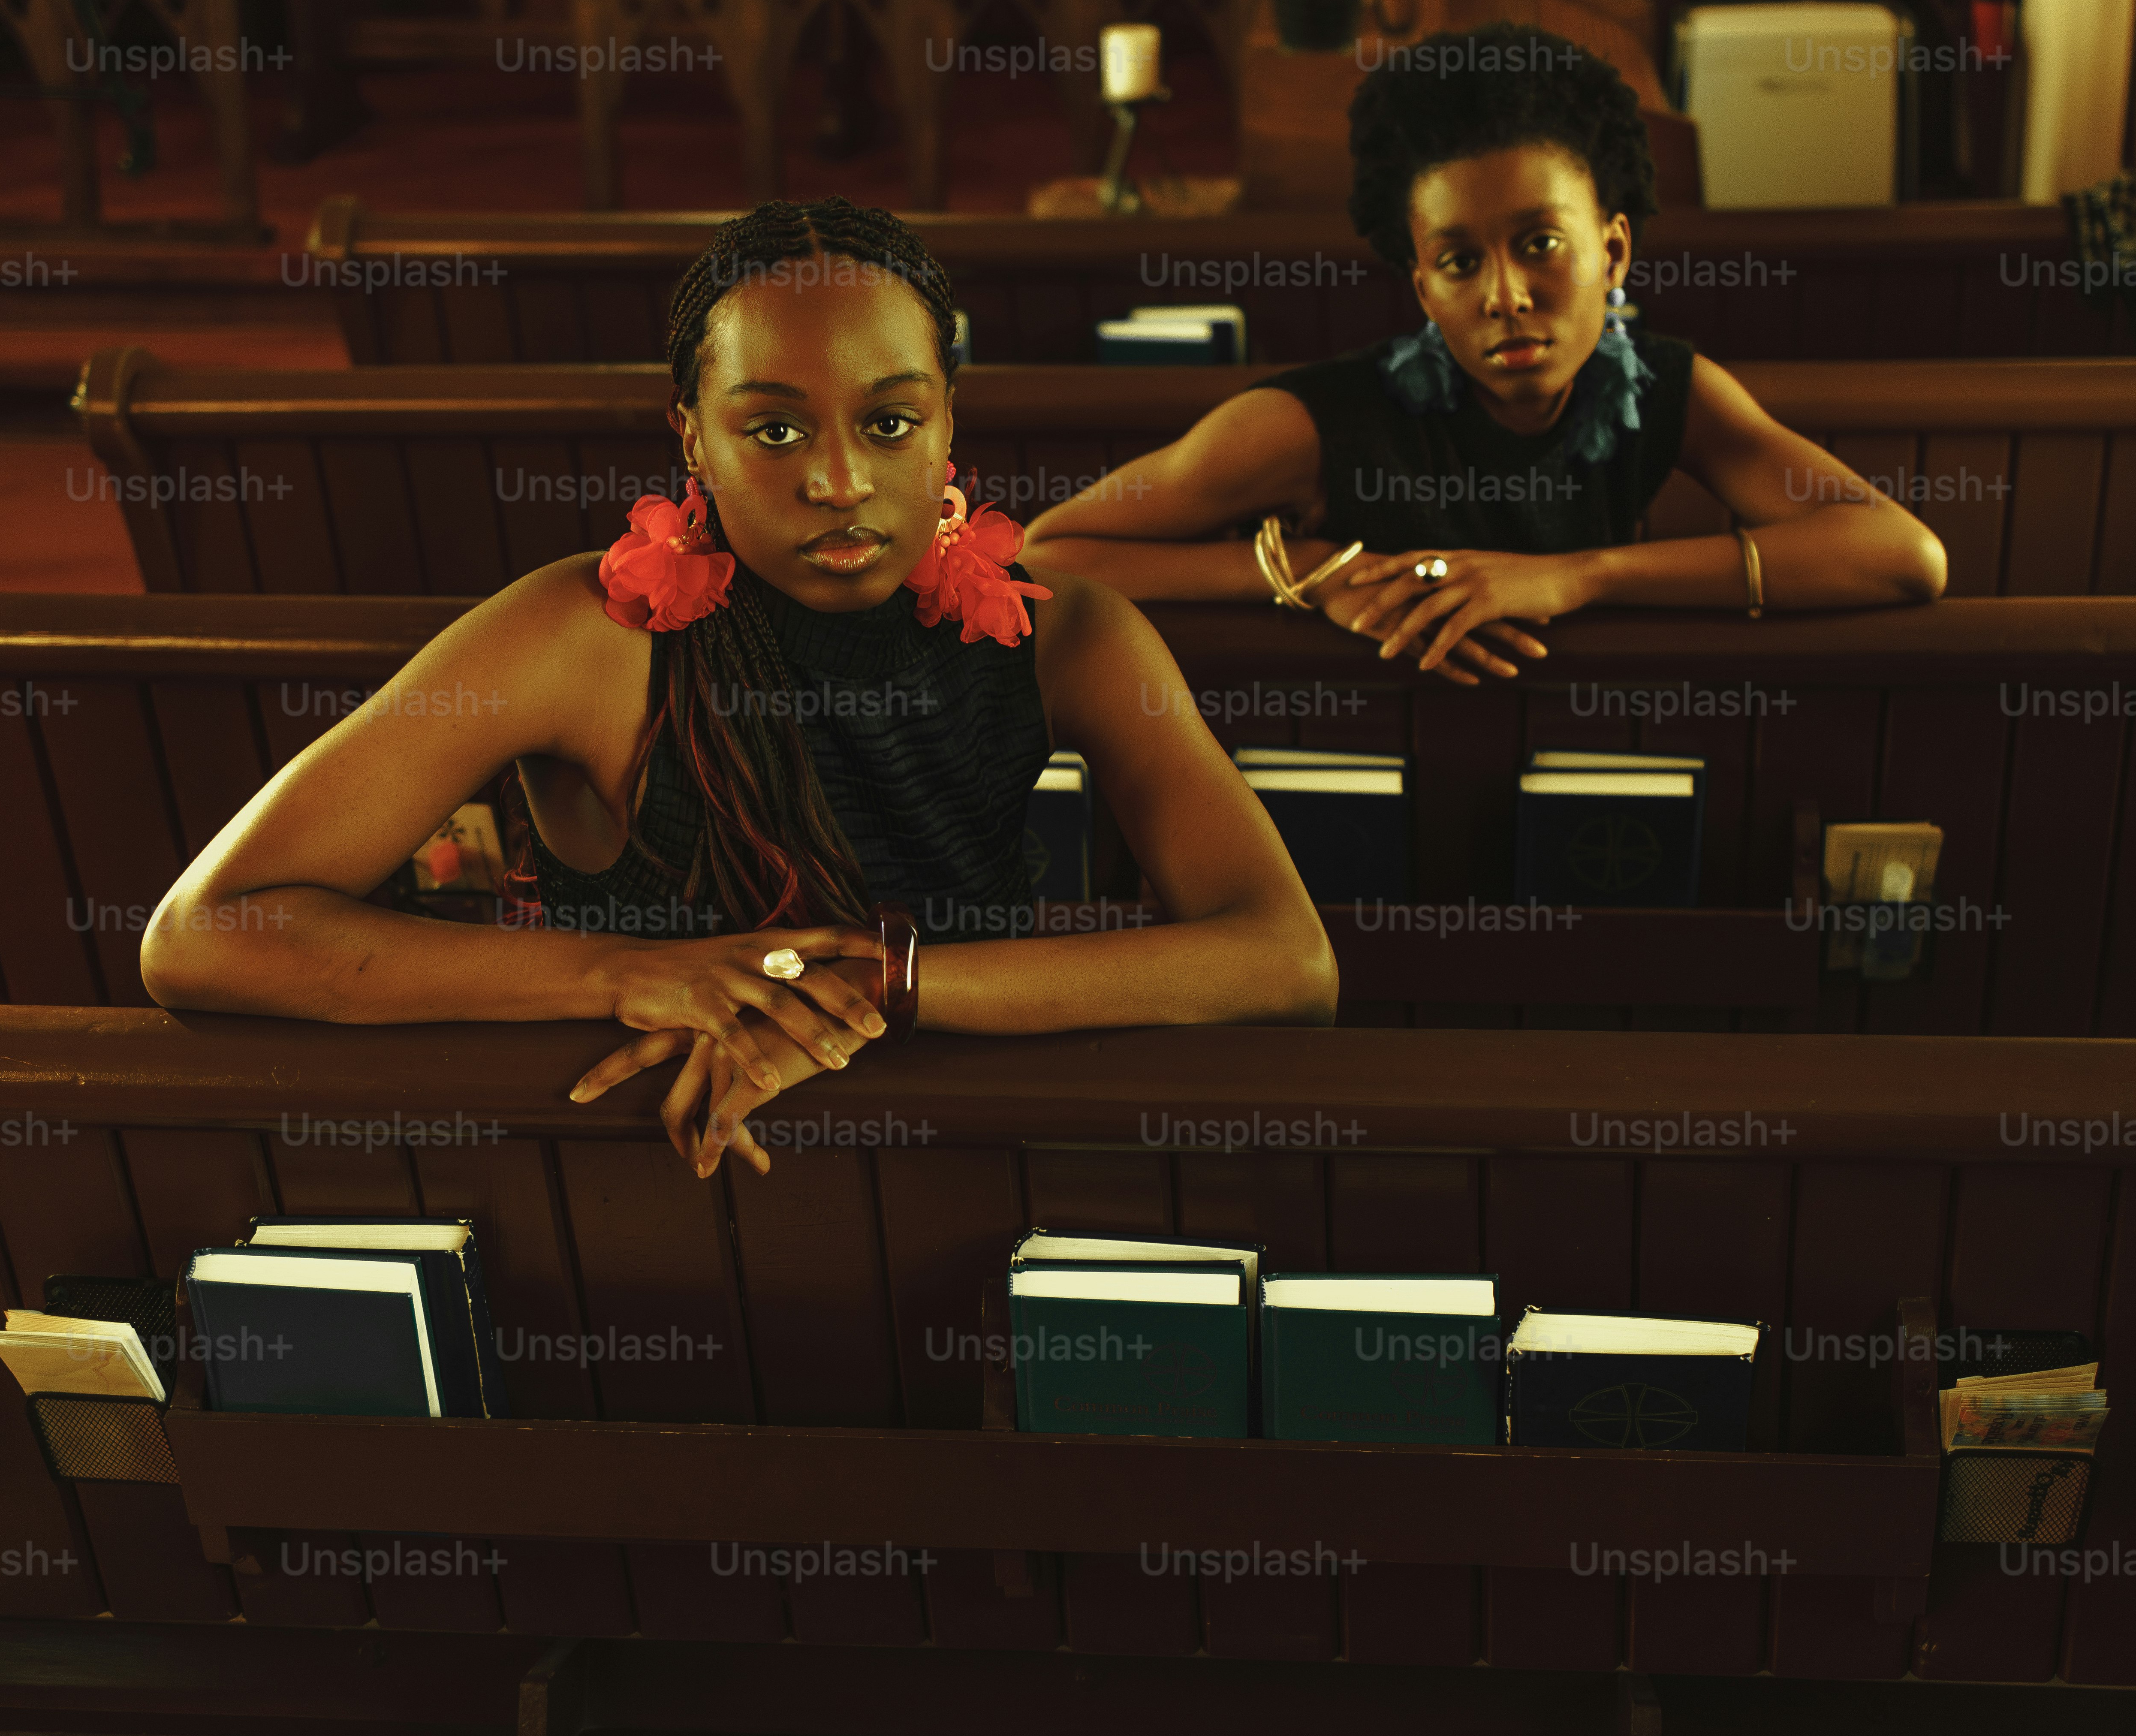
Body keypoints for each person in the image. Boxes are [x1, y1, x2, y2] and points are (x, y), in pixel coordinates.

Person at [143, 202, 1335, 1178]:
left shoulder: (1072, 634)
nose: (836, 480)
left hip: (981, 1157)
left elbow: (1286, 964)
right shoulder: (586, 634)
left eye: (889, 422)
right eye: (771, 430)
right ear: (691, 439)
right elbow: (208, 934)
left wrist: (888, 990)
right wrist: (628, 972)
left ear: (948, 424)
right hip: (637, 1168)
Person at [1027, 26, 1946, 677]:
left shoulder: (1671, 388)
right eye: (1461, 261)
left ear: (1613, 251)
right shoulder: (1312, 423)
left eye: (1540, 243)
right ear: (1425, 287)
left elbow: (1904, 554)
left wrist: (1578, 575)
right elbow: (1048, 554)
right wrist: (1312, 573)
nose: (1505, 294)